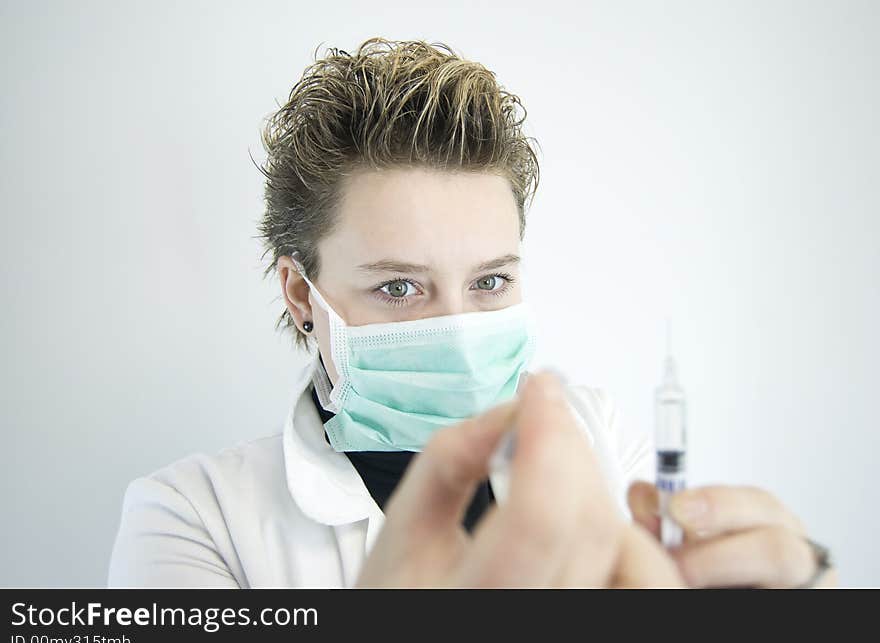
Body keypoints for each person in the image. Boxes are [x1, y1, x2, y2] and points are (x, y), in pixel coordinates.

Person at [108, 37, 835, 588]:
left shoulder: (598, 437)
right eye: (400, 287)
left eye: (489, 282)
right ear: (302, 293)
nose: (457, 332)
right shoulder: (194, 518)